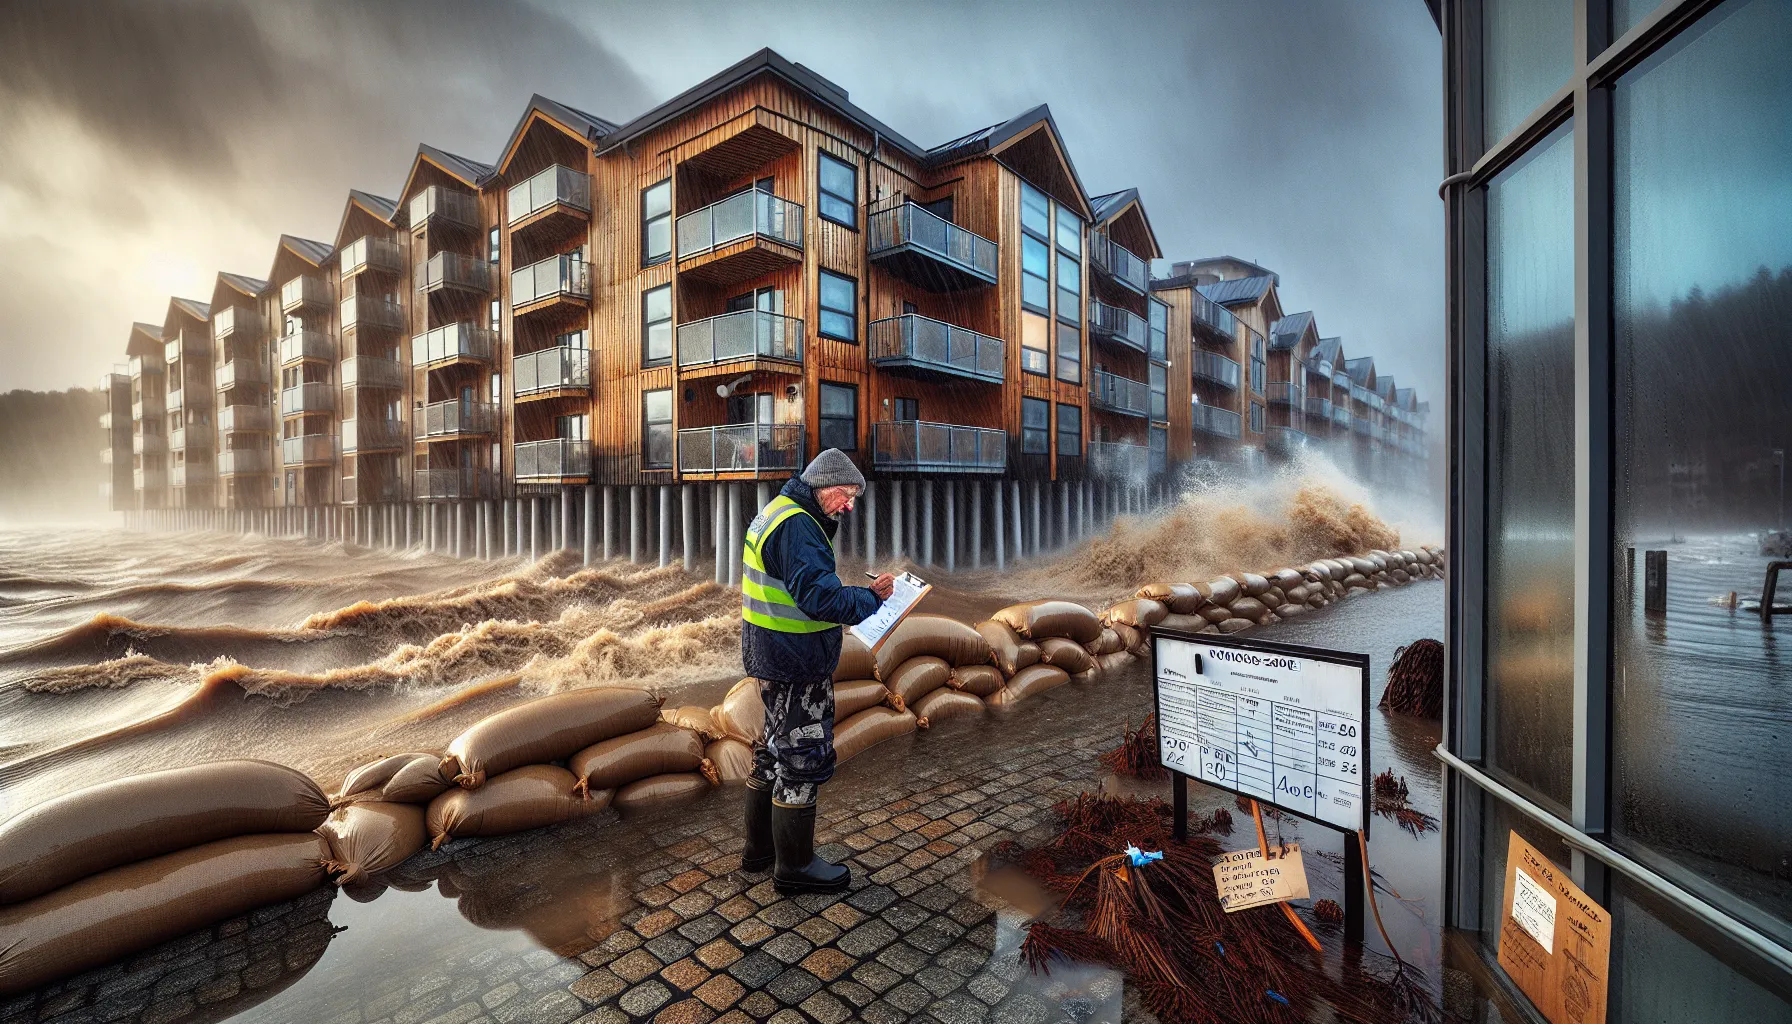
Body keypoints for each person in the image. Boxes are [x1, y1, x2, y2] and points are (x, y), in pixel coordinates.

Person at [737, 448, 894, 895]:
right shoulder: (800, 529)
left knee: (771, 748)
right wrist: (871, 601)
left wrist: (860, 594)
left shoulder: (778, 511)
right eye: (846, 495)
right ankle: (795, 867)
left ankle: (760, 851)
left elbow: (798, 587)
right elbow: (820, 600)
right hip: (795, 661)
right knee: (801, 758)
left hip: (771, 654)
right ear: (825, 485)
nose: (849, 506)